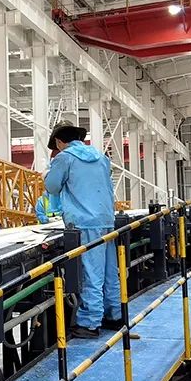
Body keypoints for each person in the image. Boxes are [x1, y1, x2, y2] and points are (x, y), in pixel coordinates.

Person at [44, 124, 136, 340]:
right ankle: (115, 316)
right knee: (110, 271)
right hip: (106, 220)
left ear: (59, 142)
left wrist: (47, 174)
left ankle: (90, 323)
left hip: (84, 223)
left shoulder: (64, 158)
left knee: (91, 274)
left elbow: (52, 187)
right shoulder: (101, 157)